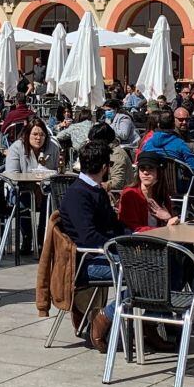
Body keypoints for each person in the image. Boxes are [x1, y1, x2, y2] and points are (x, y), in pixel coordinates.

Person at [58, 140, 129, 352]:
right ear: (105, 167)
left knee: (154, 266)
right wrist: (119, 246)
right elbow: (89, 238)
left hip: (100, 254)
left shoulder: (94, 190)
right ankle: (105, 317)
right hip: (86, 261)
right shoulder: (78, 194)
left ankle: (149, 329)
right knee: (143, 273)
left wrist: (135, 237)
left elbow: (113, 226)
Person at [6, 117, 62, 255]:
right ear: (27, 134)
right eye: (35, 134)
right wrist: (33, 186)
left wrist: (39, 187)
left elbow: (54, 174)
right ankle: (27, 237)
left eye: (42, 134)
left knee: (51, 200)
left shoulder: (52, 148)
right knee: (25, 199)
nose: (38, 138)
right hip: (20, 189)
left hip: (44, 190)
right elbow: (12, 175)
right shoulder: (16, 148)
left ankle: (42, 238)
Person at [117, 151, 181, 233]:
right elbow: (132, 227)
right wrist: (162, 230)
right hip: (139, 241)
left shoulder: (160, 192)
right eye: (142, 168)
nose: (145, 172)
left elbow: (170, 223)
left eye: (151, 168)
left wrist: (168, 217)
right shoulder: (130, 194)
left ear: (158, 172)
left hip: (160, 238)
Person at [140, 110, 194, 174]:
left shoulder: (147, 144)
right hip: (176, 183)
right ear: (173, 125)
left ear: (158, 125)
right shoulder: (180, 144)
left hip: (154, 181)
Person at [88, 121, 134, 192]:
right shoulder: (105, 152)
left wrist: (97, 186)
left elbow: (117, 183)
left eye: (93, 142)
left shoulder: (116, 155)